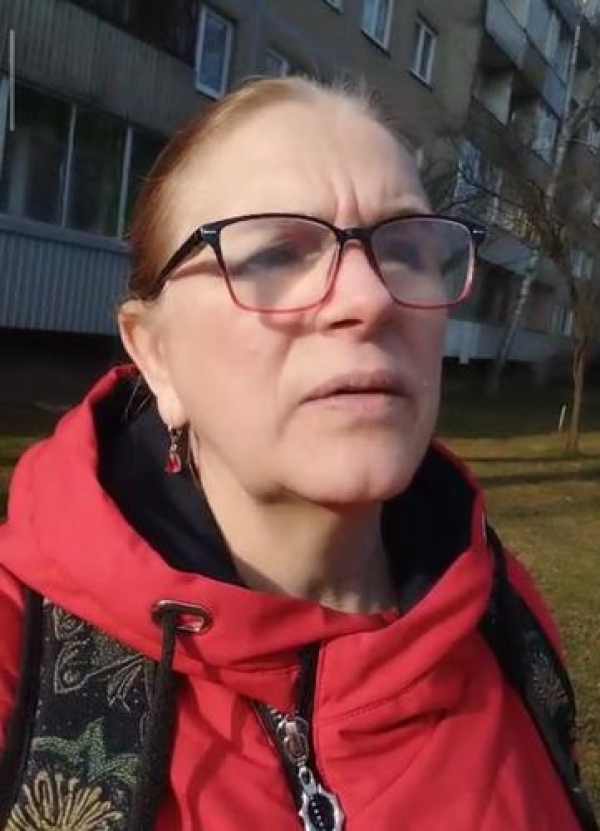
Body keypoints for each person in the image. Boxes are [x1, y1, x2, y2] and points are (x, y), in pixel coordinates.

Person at [0, 76, 593, 831]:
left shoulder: (504, 614)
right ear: (156, 356)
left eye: (406, 249)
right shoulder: (18, 658)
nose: (370, 299)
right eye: (277, 253)